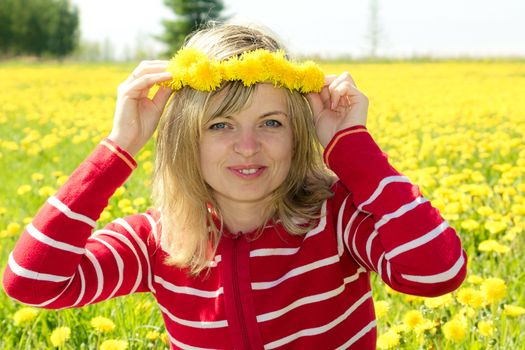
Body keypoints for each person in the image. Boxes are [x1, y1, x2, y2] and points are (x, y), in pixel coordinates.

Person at [3, 23, 467, 349]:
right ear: (186, 137)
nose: (248, 146)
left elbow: (437, 273)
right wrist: (119, 147)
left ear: (298, 133)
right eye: (220, 125)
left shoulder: (339, 218)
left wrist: (350, 146)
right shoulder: (156, 241)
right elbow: (32, 283)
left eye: (270, 122)